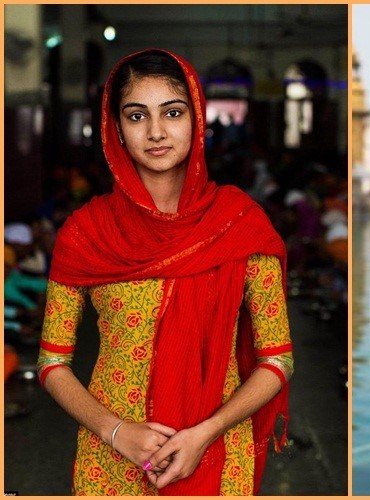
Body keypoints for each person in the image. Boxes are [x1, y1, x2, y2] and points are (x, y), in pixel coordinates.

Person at [37, 49, 293, 496]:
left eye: (172, 113)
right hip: (111, 459)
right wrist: (117, 432)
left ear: (197, 119)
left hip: (213, 451)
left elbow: (278, 358)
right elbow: (52, 361)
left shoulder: (239, 224)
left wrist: (203, 433)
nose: (156, 132)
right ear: (115, 128)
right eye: (136, 116)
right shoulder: (86, 233)